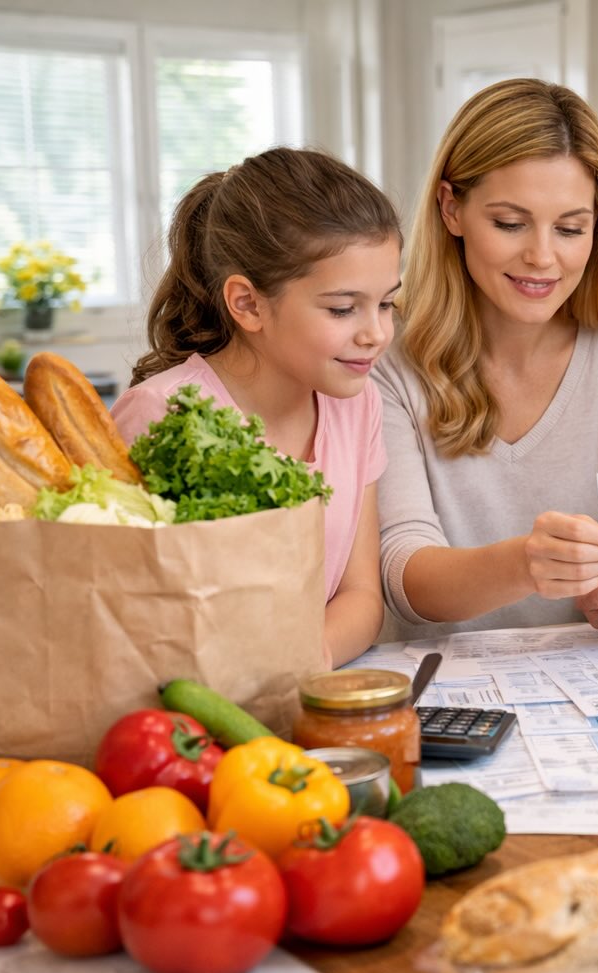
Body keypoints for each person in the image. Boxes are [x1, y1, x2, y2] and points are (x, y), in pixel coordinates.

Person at [377, 78, 598, 640]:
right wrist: (525, 566)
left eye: (570, 228)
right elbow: (404, 578)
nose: (542, 257)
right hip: (440, 693)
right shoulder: (388, 355)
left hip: (597, 687)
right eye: (510, 223)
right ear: (451, 209)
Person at [112, 146, 399, 670]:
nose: (376, 334)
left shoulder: (358, 405)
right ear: (247, 304)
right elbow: (124, 619)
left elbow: (361, 595)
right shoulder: (158, 414)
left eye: (386, 303)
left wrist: (302, 663)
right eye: (342, 308)